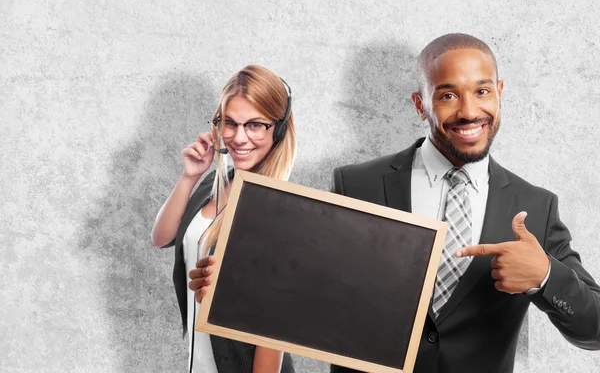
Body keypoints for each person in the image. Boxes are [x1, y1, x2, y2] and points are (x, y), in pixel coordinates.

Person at [192, 34, 600, 372]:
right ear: (420, 104)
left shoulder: (535, 206)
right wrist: (235, 282)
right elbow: (306, 290)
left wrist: (546, 276)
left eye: (482, 91)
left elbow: (594, 328)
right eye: (447, 95)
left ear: (500, 93)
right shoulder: (356, 183)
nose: (470, 110)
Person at [152, 65, 297, 373]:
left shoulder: (280, 210)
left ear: (279, 127)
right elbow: (162, 237)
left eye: (255, 125)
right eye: (229, 123)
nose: (239, 138)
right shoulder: (216, 182)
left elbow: (273, 329)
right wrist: (189, 177)